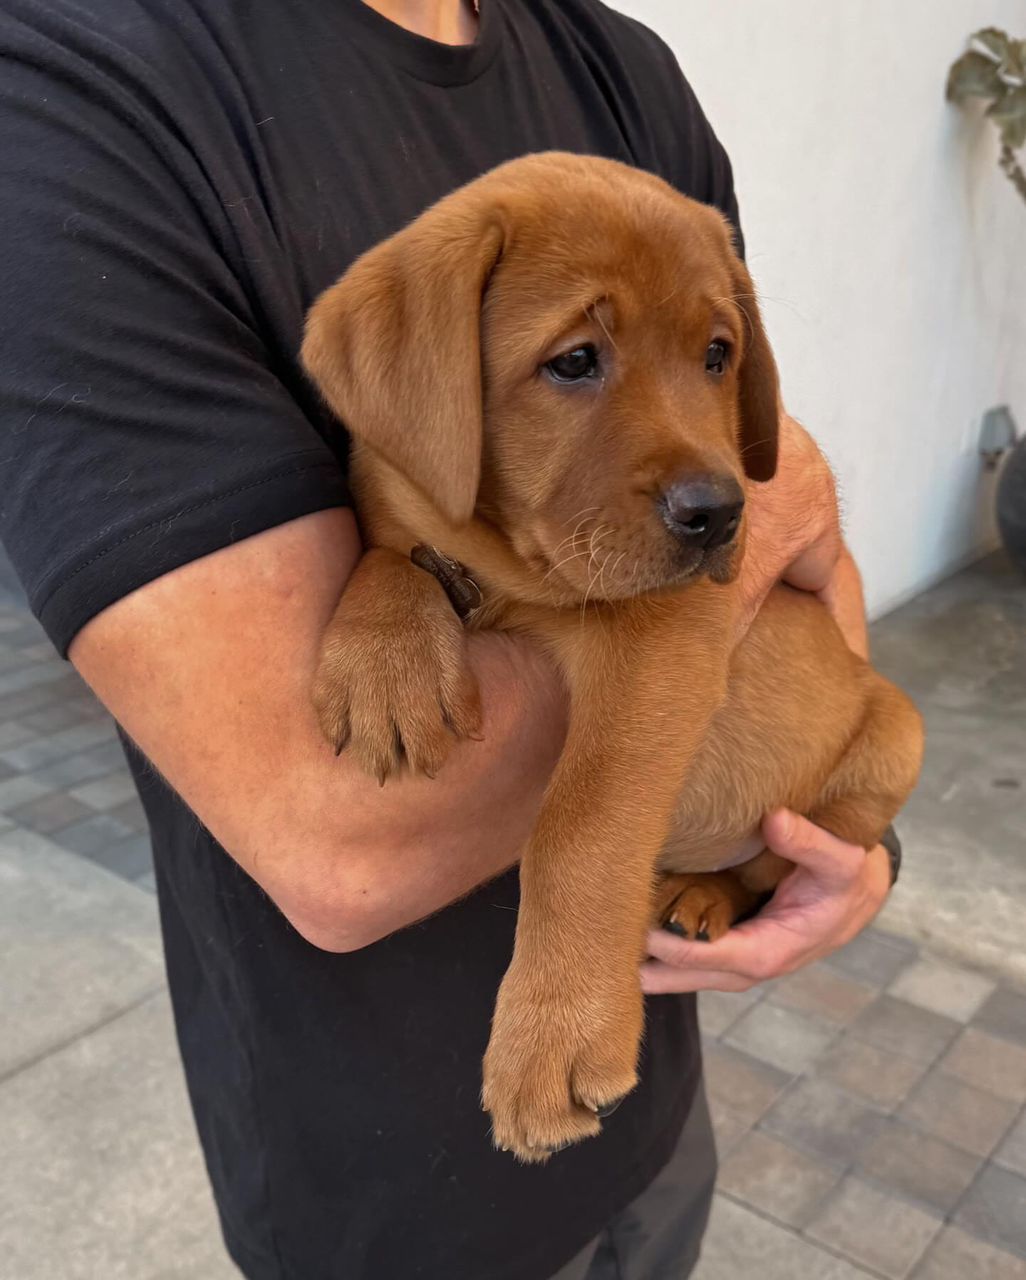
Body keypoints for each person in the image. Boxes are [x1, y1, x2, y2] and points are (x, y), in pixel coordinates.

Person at [0, 1, 896, 1276]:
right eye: (575, 361)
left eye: (714, 358)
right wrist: (392, 585)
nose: (691, 449)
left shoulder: (624, 70)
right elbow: (341, 840)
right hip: (379, 1197)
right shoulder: (78, 87)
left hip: (648, 1087)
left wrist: (842, 846)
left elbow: (792, 570)